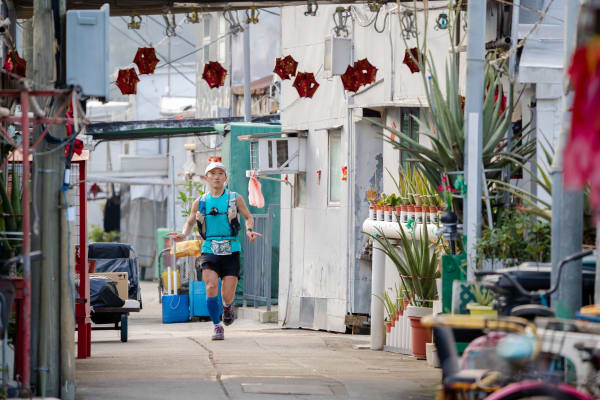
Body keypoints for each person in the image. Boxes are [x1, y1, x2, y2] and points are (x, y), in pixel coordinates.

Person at [167, 162, 262, 340]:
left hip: (231, 247)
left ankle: (227, 306)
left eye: (220, 173)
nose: (217, 176)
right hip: (209, 247)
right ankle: (217, 326)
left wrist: (249, 231)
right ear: (206, 178)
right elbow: (190, 221)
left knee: (228, 291)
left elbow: (248, 217)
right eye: (213, 173)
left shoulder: (235, 198)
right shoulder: (200, 201)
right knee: (210, 286)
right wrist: (183, 234)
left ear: (226, 178)